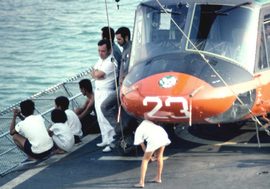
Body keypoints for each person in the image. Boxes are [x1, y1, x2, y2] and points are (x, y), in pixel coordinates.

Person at [101, 26, 133, 136]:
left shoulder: (130, 51)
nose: (118, 42)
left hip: (126, 87)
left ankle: (120, 130)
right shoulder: (125, 49)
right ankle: (123, 129)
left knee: (105, 106)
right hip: (122, 86)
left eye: (119, 39)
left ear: (126, 37)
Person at [90, 39, 116, 152]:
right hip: (98, 91)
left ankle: (112, 142)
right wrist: (96, 74)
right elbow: (93, 72)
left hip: (106, 91)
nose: (100, 53)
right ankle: (105, 139)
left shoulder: (111, 61)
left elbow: (98, 74)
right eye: (99, 51)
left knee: (106, 117)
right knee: (99, 116)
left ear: (109, 50)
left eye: (103, 51)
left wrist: (96, 74)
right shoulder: (100, 60)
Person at [133, 119, 171, 188]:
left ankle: (141, 182)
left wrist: (149, 157)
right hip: (162, 134)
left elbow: (142, 145)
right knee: (160, 156)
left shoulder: (138, 131)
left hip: (154, 139)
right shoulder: (147, 121)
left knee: (145, 160)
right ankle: (158, 178)